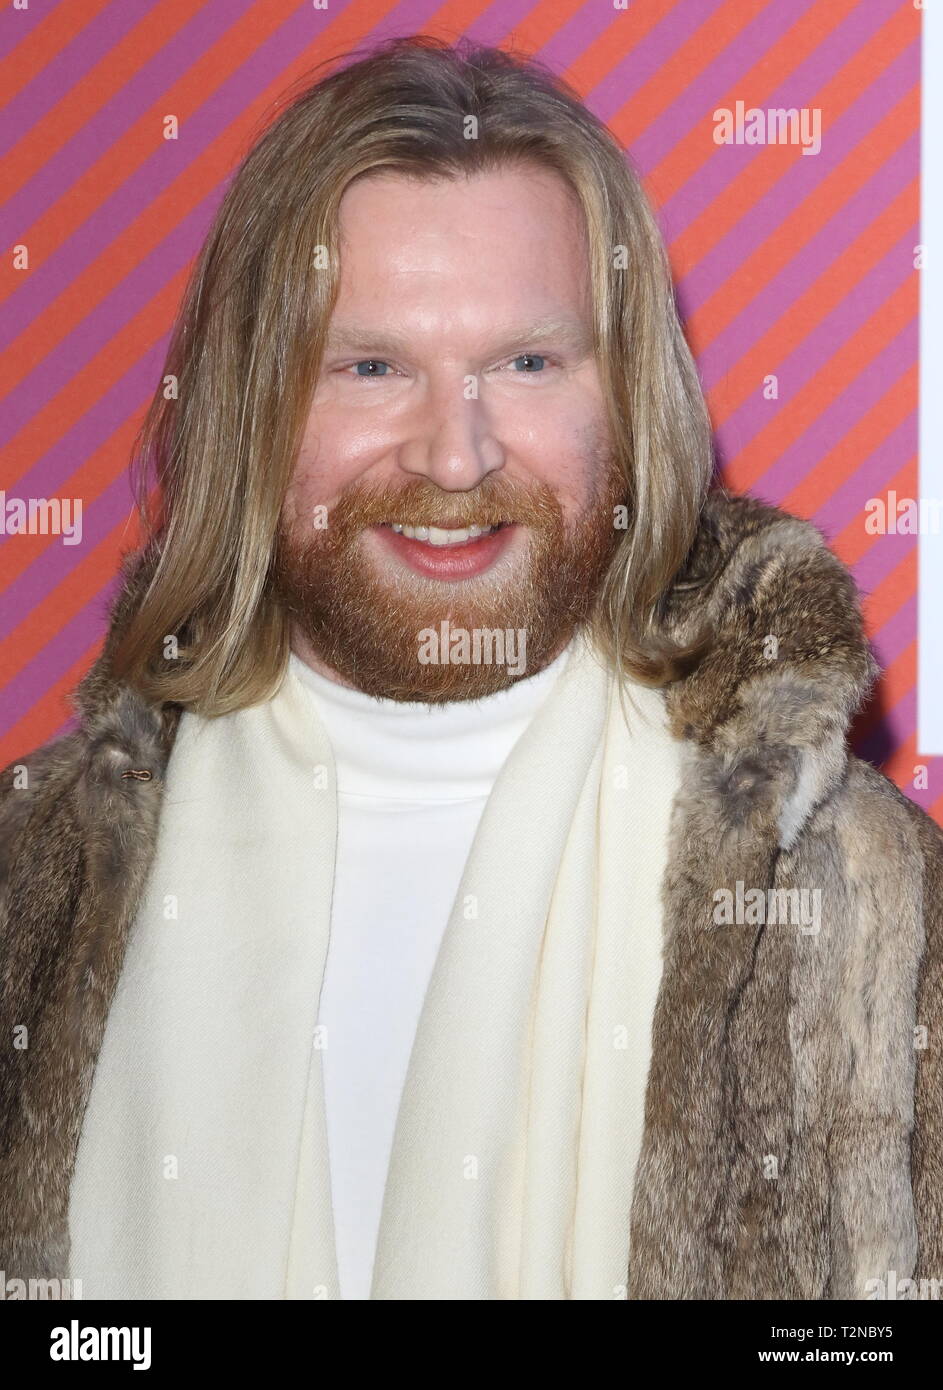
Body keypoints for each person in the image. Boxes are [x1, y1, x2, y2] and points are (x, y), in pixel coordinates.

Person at [1, 34, 940, 1302]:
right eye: (371, 366)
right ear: (249, 405)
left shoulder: (868, 899)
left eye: (527, 363)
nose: (456, 456)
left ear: (628, 408)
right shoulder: (35, 891)